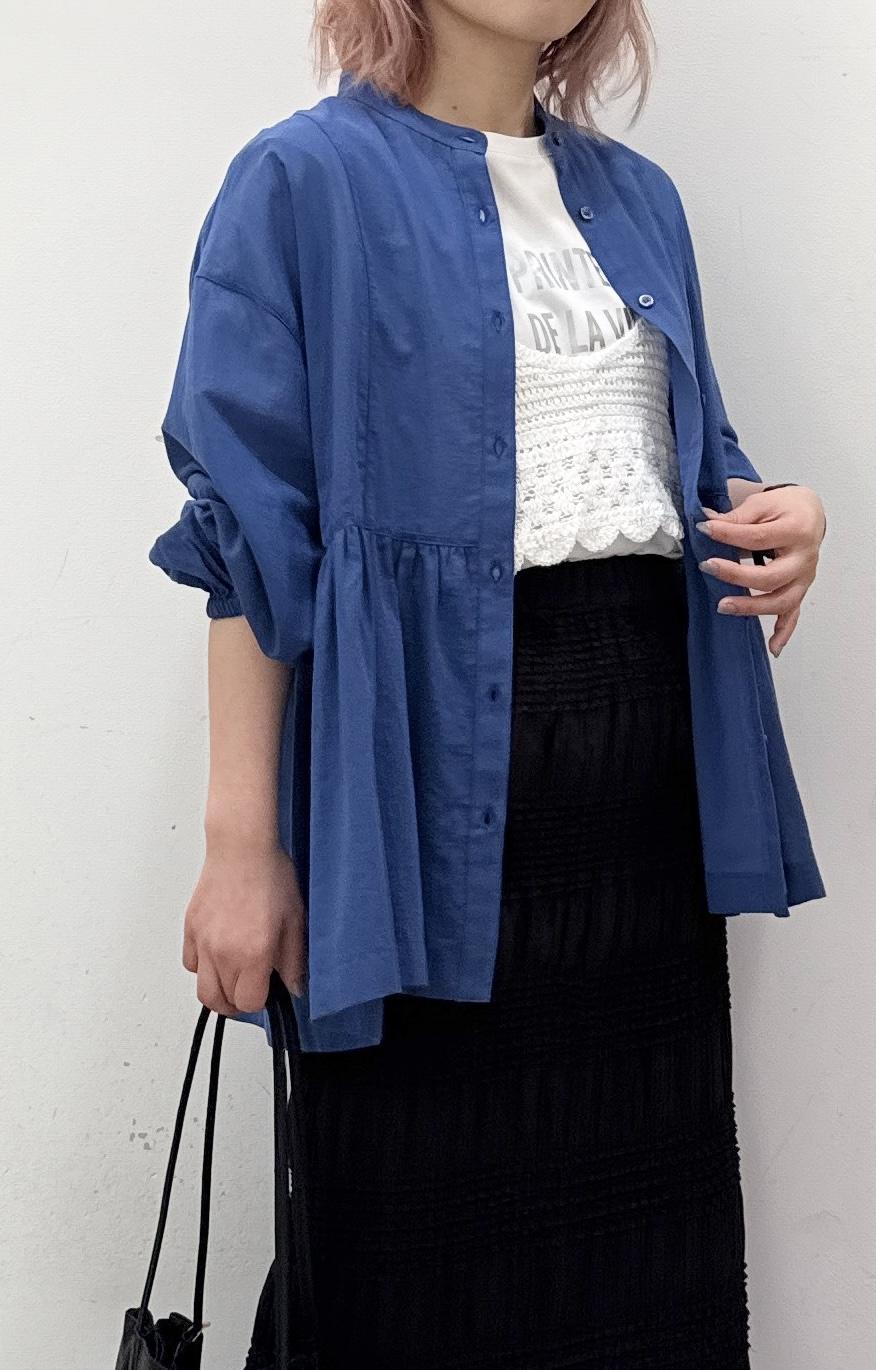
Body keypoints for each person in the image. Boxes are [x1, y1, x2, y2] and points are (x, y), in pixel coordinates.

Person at [148, 1, 828, 1364]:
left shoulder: (640, 200)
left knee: (637, 1261)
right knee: (410, 1249)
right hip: (416, 805)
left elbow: (674, 464)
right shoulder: (303, 183)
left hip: (641, 828)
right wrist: (241, 846)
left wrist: (781, 517)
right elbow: (250, 540)